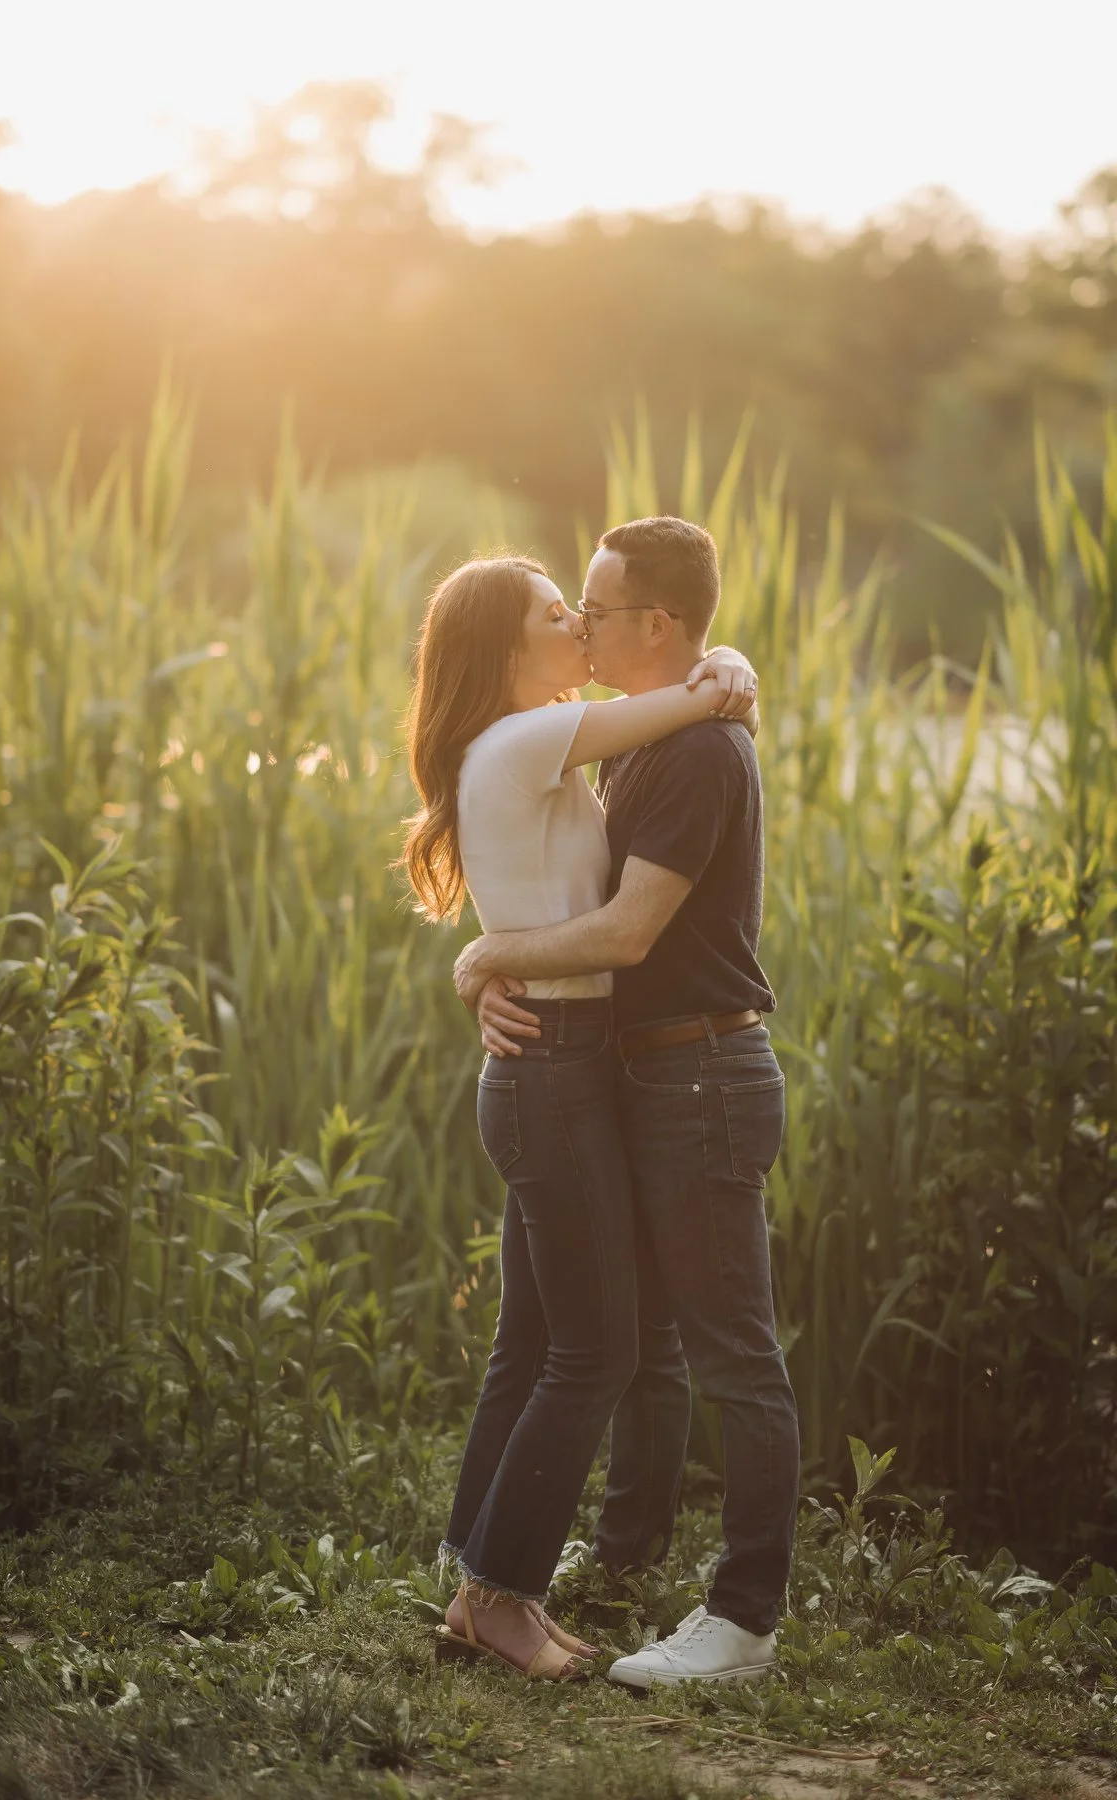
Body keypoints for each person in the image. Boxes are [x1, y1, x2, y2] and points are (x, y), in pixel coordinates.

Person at [453, 516, 799, 1690]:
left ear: (656, 623)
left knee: (729, 1353)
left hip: (699, 1072)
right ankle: (583, 1564)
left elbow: (629, 929)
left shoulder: (694, 749)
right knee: (623, 1342)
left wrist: (488, 959)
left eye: (595, 611)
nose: (583, 626)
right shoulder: (629, 737)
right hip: (628, 1069)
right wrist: (494, 968)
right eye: (568, 612)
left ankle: (742, 1618)